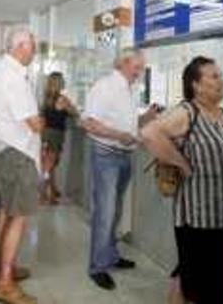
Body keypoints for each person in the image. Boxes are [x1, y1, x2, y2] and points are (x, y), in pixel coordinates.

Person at [141, 56, 223, 304]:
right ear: (196, 84)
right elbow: (150, 133)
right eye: (214, 77)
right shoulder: (187, 112)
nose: (222, 81)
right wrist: (181, 163)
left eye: (221, 76)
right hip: (201, 221)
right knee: (201, 290)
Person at [81, 50, 156, 291]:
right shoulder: (104, 86)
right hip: (107, 156)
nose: (140, 72)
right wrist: (119, 136)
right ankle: (97, 267)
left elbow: (127, 125)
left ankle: (110, 256)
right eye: (138, 67)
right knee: (105, 212)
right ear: (124, 64)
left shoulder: (129, 89)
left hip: (125, 155)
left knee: (115, 211)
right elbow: (89, 123)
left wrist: (146, 118)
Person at [0, 27, 43, 304]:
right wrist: (41, 121)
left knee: (6, 212)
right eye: (32, 46)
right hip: (19, 154)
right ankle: (5, 283)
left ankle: (1, 269)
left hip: (3, 151)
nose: (34, 51)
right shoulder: (15, 78)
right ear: (21, 47)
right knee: (18, 217)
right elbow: (34, 122)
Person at [40, 72, 77, 204]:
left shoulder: (46, 99)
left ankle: (52, 191)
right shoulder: (62, 99)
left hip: (45, 133)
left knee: (49, 164)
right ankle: (45, 194)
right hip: (55, 135)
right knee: (49, 166)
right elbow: (75, 112)